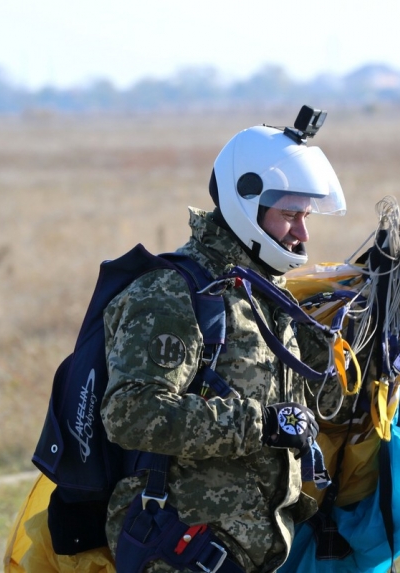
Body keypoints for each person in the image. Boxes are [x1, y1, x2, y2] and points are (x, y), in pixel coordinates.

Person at [100, 110, 348, 572]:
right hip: (185, 552)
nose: (302, 234)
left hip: (259, 552)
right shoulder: (173, 295)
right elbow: (130, 414)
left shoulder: (264, 296)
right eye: (290, 215)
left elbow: (311, 397)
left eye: (306, 217)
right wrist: (259, 427)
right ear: (247, 206)